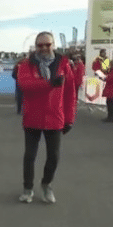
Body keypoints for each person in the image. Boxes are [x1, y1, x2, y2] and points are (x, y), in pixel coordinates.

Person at [17, 32, 76, 204]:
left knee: (54, 156)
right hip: (32, 117)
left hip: (55, 118)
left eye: (47, 45)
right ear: (35, 47)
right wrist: (49, 84)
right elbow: (25, 85)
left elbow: (70, 93)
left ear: (53, 45)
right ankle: (27, 188)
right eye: (40, 45)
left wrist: (69, 118)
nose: (43, 48)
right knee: (29, 156)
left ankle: (46, 184)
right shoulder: (26, 65)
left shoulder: (64, 64)